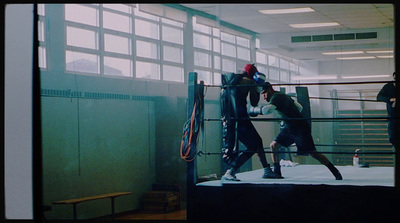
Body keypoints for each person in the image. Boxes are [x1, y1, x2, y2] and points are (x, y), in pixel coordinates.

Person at [249, 82, 343, 180]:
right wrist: (287, 116)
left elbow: (267, 110)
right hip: (289, 128)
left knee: (313, 153)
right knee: (274, 146)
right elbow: (300, 107)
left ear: (270, 89)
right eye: (262, 94)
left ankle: (334, 170)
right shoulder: (283, 96)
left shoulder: (275, 97)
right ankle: (277, 172)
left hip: (299, 129)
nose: (264, 96)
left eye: (264, 93)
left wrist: (253, 110)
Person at [221, 64, 282, 181]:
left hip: (230, 119)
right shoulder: (249, 81)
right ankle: (230, 171)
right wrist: (258, 87)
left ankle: (266, 170)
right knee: (253, 145)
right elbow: (254, 102)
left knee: (257, 142)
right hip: (241, 119)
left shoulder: (232, 81)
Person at [377, 72, 396, 148]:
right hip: (392, 116)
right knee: (392, 136)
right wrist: (390, 99)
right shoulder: (388, 86)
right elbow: (379, 97)